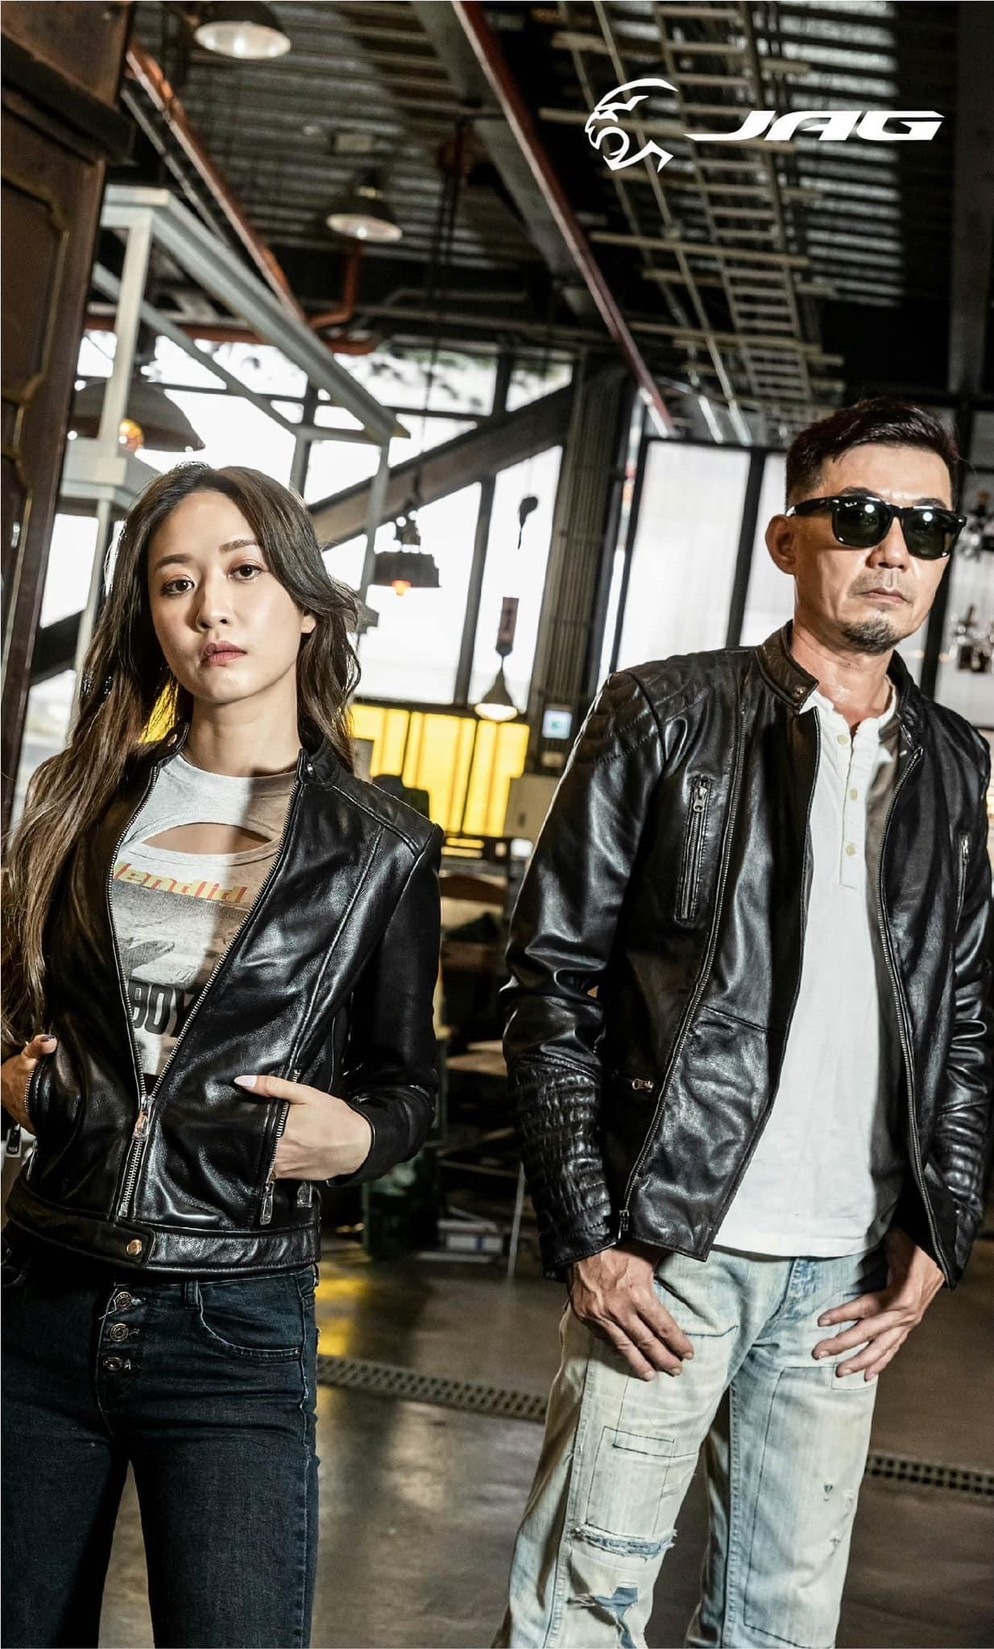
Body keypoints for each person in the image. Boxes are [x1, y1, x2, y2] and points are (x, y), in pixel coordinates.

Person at [496, 399, 993, 1649]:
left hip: (846, 1275)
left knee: (781, 1627)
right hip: (671, 1252)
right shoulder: (662, 713)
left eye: (928, 527)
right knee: (580, 1615)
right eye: (861, 516)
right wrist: (589, 1233)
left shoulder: (953, 763)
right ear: (787, 539)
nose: (894, 550)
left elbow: (966, 1013)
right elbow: (550, 982)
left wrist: (943, 1226)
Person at [1, 464, 442, 1649]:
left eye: (244, 571)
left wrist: (360, 1136)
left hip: (234, 1318)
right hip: (43, 1291)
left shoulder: (380, 845)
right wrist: (13, 1079)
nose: (211, 607)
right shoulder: (80, 798)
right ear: (150, 618)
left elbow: (410, 1082)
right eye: (175, 582)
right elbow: (12, 1001)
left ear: (305, 606)